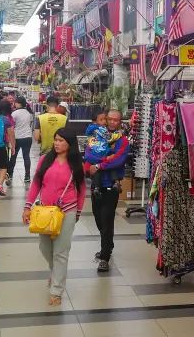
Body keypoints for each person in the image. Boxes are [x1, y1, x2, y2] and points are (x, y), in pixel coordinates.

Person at [22, 129, 86, 306]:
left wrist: (78, 212)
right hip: (44, 212)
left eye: (61, 140)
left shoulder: (76, 165)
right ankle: (55, 272)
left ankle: (57, 290)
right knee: (45, 248)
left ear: (69, 144)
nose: (57, 143)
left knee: (61, 252)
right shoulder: (45, 160)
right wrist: (28, 206)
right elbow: (36, 184)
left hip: (68, 211)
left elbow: (81, 191)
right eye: (56, 140)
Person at [85, 109, 129, 272]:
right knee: (98, 218)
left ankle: (105, 257)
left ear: (120, 122)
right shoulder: (95, 136)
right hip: (96, 186)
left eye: (115, 120)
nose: (111, 122)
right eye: (109, 119)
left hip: (111, 186)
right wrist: (105, 159)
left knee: (107, 219)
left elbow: (119, 160)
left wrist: (99, 165)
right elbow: (89, 156)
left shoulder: (122, 140)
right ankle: (108, 244)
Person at [9, 96, 35, 185]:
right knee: (26, 157)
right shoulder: (29, 113)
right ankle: (27, 176)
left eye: (15, 102)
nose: (14, 104)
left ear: (18, 103)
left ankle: (10, 174)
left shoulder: (14, 114)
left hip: (17, 138)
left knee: (13, 156)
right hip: (28, 137)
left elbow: (12, 127)